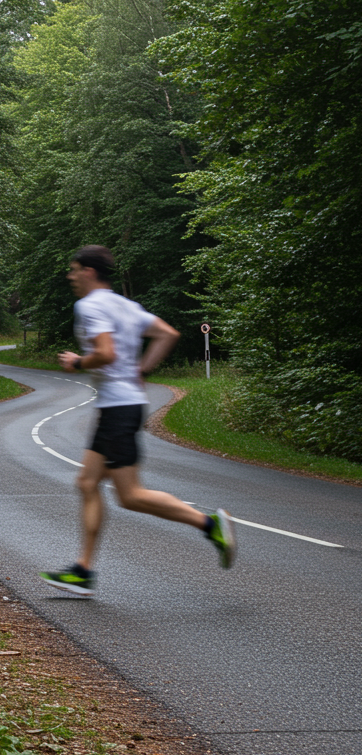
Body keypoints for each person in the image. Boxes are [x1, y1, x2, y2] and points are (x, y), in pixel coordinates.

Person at [41, 245, 235, 597]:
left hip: (118, 409)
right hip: (119, 406)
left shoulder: (90, 306)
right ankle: (83, 570)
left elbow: (106, 353)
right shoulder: (126, 306)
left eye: (74, 270)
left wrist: (77, 362)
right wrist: (142, 371)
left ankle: (211, 525)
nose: (70, 276)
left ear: (88, 271)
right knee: (87, 482)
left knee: (130, 495)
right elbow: (168, 334)